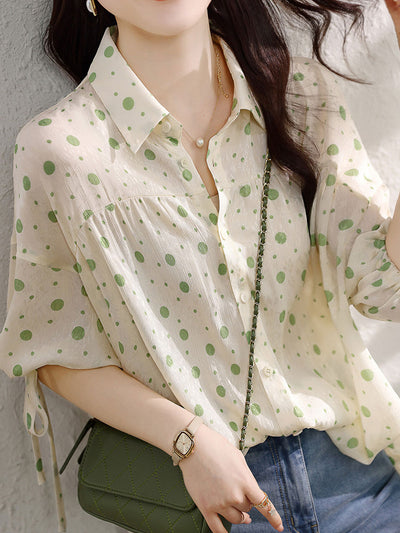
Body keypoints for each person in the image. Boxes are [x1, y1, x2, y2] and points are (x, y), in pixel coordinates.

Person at [1, 0, 400, 532]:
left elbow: (384, 286)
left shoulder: (297, 94)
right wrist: (186, 440)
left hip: (358, 485)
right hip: (216, 507)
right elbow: (51, 351)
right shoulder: (62, 150)